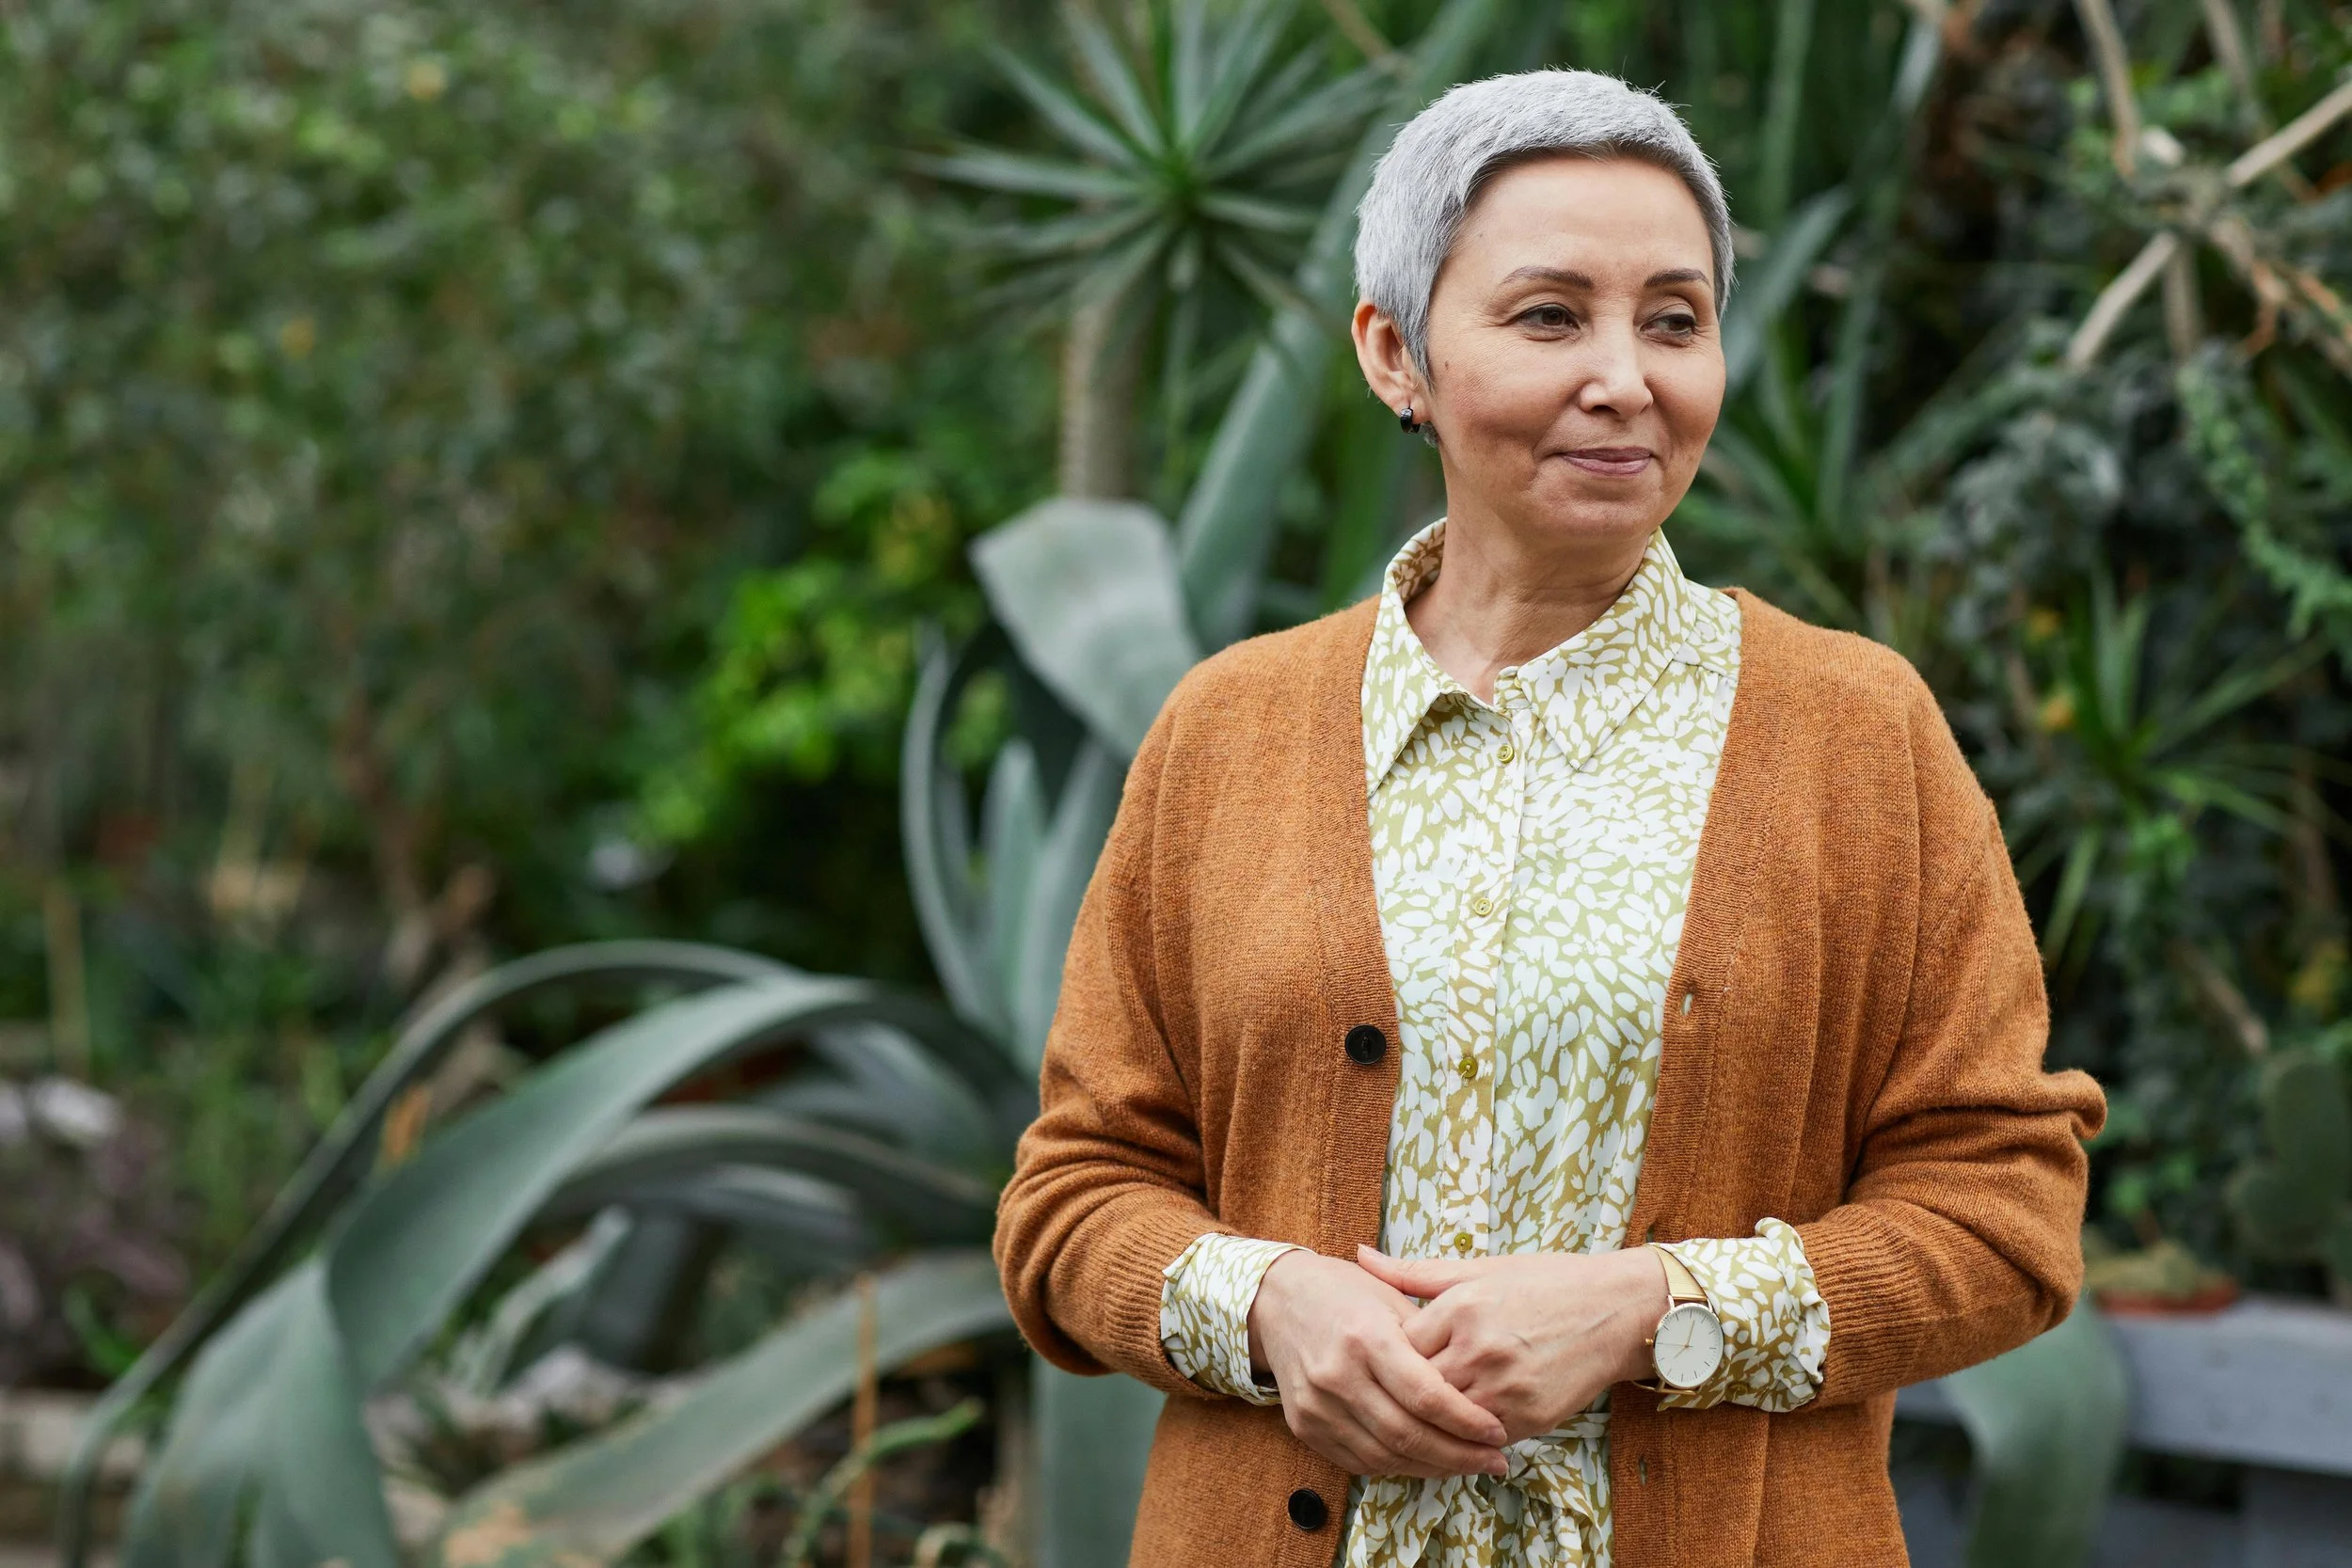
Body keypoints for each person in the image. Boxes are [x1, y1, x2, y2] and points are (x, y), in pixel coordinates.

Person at [993, 68, 2105, 1568]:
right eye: (1547, 316)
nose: (1626, 378)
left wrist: (1656, 1311)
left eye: (1674, 318)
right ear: (1396, 354)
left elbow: (2005, 1210)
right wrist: (1265, 1303)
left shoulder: (1855, 737)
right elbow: (1069, 1200)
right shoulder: (1227, 732)